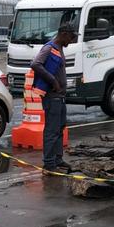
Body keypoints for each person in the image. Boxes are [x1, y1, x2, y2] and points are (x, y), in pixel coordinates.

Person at [31, 23, 77, 172]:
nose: (71, 40)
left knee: (59, 128)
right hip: (52, 97)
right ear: (64, 34)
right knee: (52, 130)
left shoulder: (59, 48)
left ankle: (58, 159)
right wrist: (53, 81)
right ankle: (49, 164)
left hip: (60, 97)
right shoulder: (49, 48)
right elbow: (36, 64)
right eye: (71, 37)